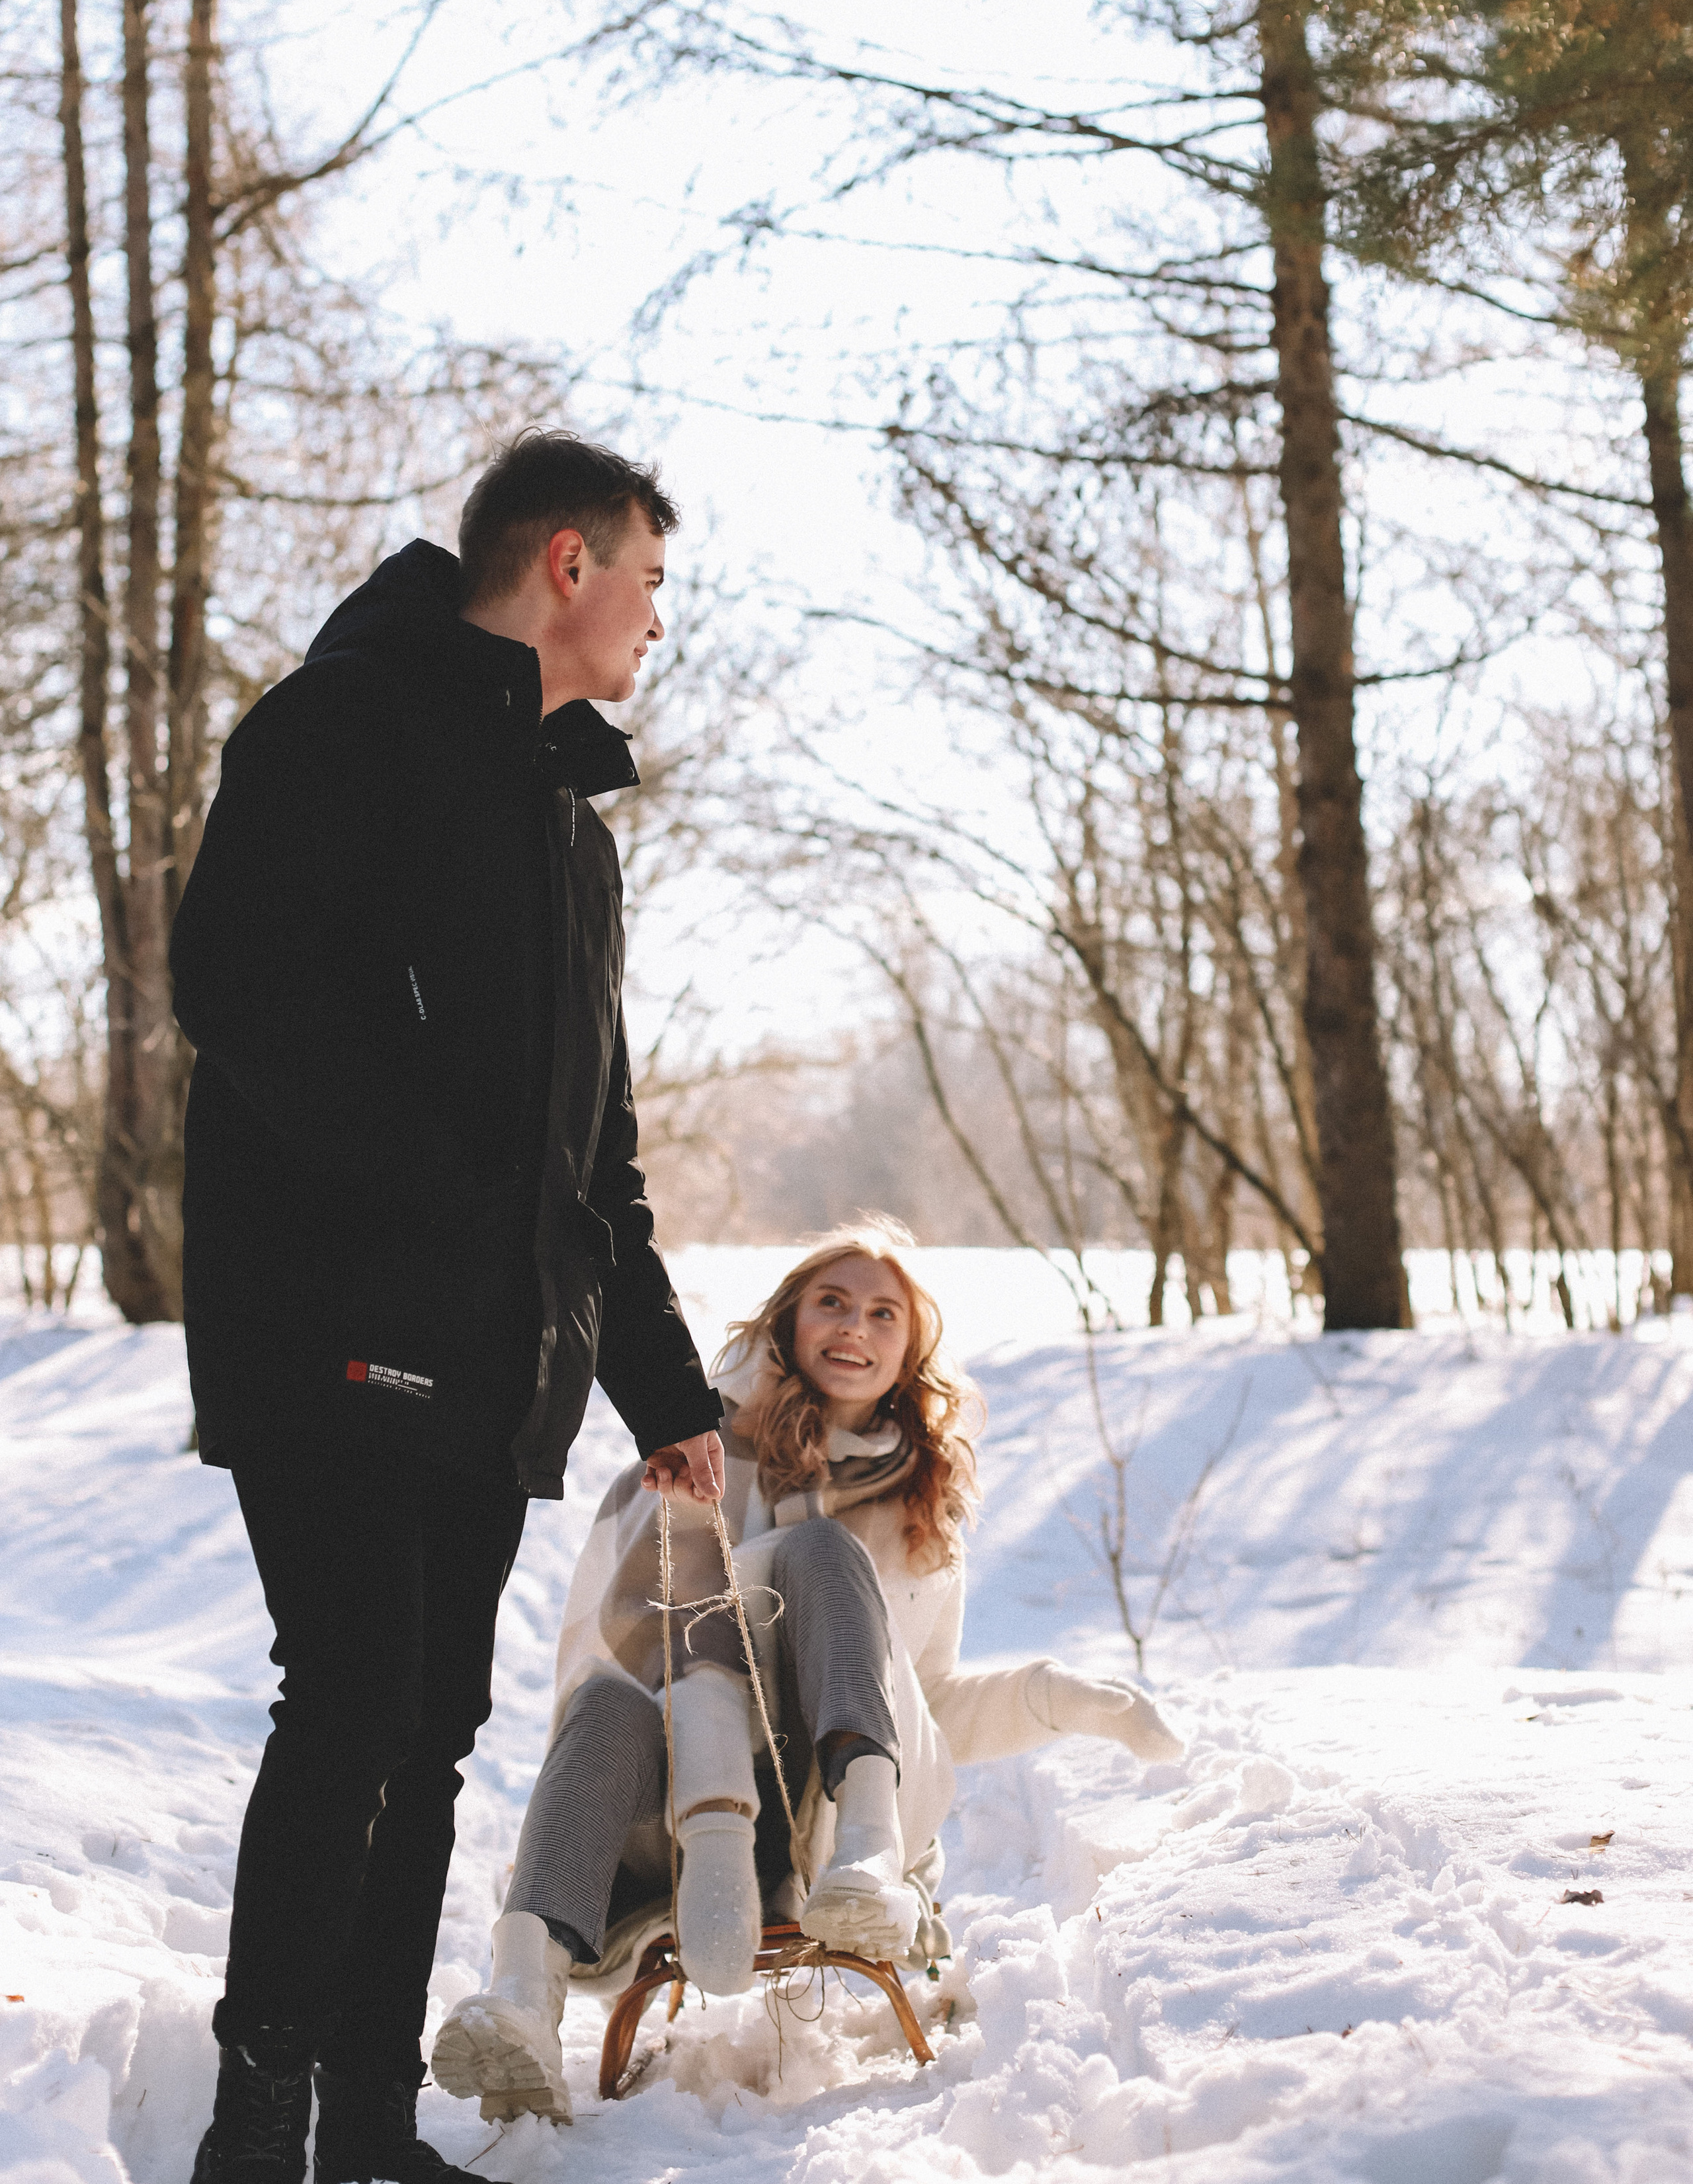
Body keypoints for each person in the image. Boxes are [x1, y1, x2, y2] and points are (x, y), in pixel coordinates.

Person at [170, 432, 727, 2184]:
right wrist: (443, 1191)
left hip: (498, 1357)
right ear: (566, 563)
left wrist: (665, 1387)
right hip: (333, 1316)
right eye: (646, 577)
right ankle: (253, 2134)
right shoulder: (346, 723)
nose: (654, 618)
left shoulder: (573, 832)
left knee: (429, 1735)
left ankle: (361, 2134)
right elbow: (242, 989)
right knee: (351, 1698)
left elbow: (596, 1157)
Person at [430, 1223, 1182, 2125]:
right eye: (831, 1301)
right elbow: (624, 1642)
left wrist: (1057, 1700)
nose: (853, 1326)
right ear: (787, 1322)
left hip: (828, 1816)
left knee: (821, 1552)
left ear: (911, 1349)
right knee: (604, 1699)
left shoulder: (920, 1511)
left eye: (882, 1312)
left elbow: (929, 1701)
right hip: (679, 1811)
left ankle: (867, 1861)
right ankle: (522, 1996)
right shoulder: (691, 1454)